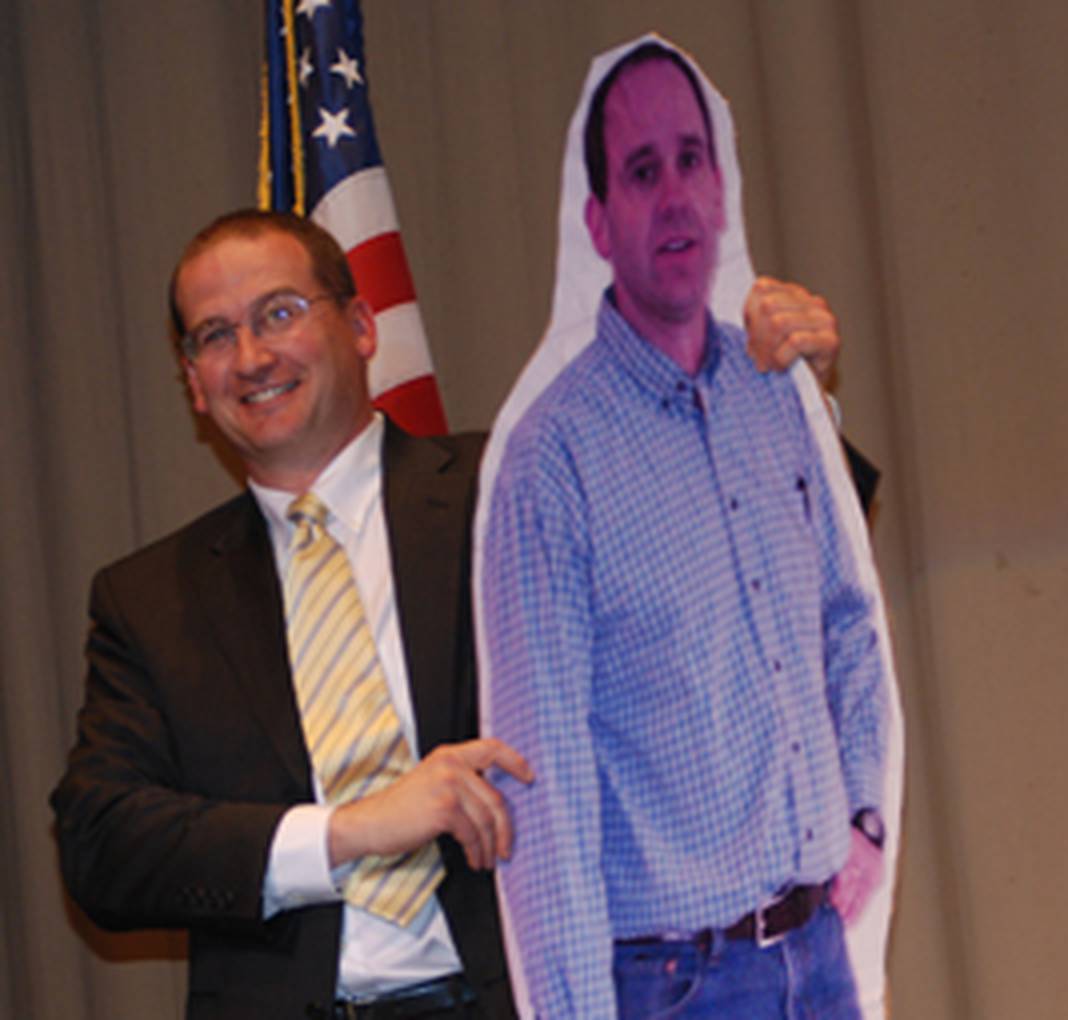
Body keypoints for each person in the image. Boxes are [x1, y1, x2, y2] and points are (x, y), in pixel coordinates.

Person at [50, 206, 863, 1020]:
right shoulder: (151, 599)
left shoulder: (518, 481)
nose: (252, 356)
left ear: (363, 325)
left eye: (280, 314)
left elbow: (737, 556)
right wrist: (351, 830)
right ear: (192, 381)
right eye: (214, 336)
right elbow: (102, 845)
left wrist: (781, 399)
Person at [479, 40, 898, 1019]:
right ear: (598, 220)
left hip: (818, 958)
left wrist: (864, 812)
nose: (672, 195)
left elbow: (846, 617)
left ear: (721, 188)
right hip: (676, 988)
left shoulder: (774, 395)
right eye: (640, 171)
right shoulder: (554, 459)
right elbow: (548, 800)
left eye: (690, 160)